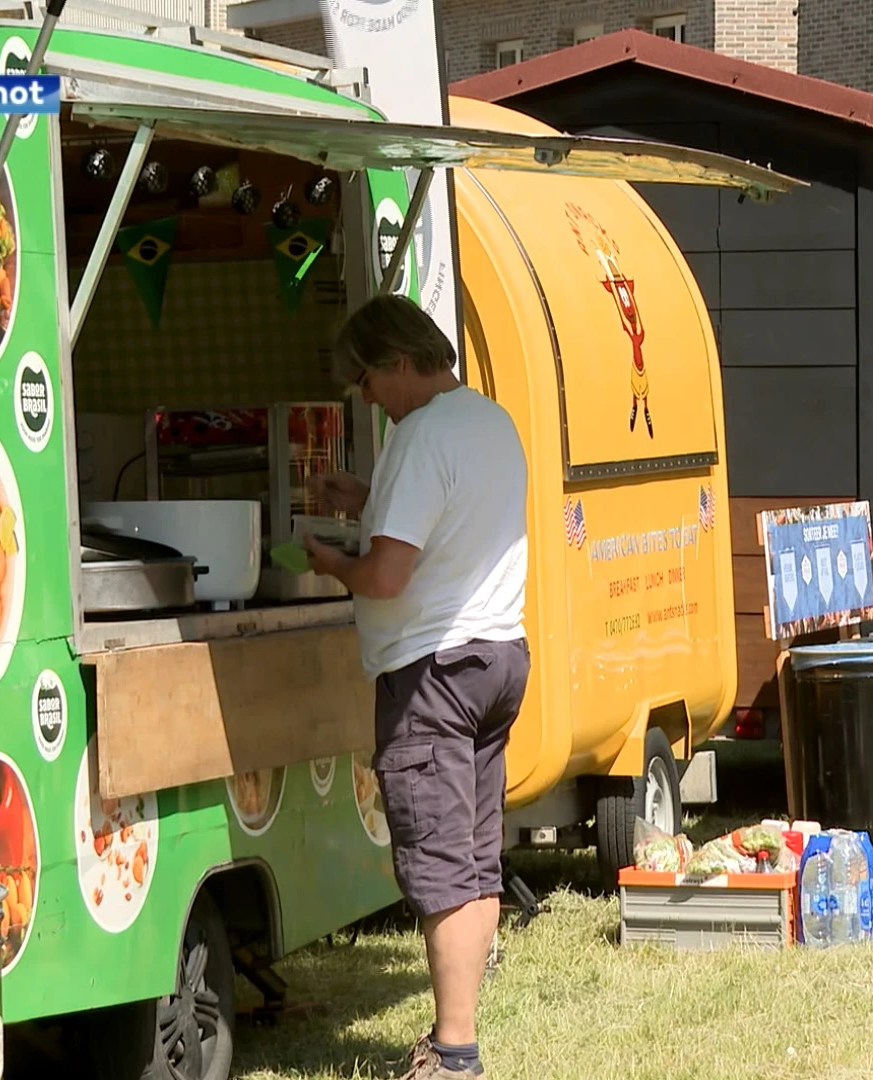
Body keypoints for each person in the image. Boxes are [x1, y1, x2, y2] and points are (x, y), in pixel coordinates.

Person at [304, 294, 529, 1080]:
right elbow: (452, 519)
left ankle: (454, 1051)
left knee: (437, 866)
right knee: (474, 859)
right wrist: (369, 501)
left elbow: (390, 578)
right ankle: (458, 1031)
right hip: (498, 656)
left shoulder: (422, 434)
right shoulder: (487, 422)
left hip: (434, 670)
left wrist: (334, 565)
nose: (365, 396)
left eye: (367, 378)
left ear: (399, 362)